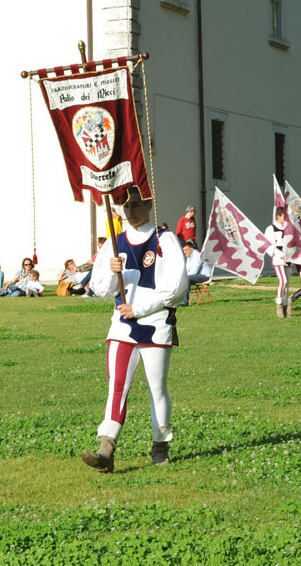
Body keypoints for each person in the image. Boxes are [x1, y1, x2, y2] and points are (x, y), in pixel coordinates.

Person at [81, 186, 188, 473]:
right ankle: (106, 449)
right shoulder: (113, 244)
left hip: (155, 325)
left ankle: (160, 446)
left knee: (157, 389)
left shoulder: (165, 239)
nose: (131, 211)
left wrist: (139, 308)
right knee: (116, 387)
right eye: (126, 206)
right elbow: (101, 290)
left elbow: (177, 288)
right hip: (122, 327)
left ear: (149, 205)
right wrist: (111, 272)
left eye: (137, 205)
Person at [265, 207, 293, 317]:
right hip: (278, 259)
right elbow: (269, 246)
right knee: (283, 281)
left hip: (289, 259)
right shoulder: (271, 229)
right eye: (284, 217)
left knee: (288, 284)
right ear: (278, 216)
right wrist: (282, 255)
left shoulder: (289, 229)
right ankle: (279, 305)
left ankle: (286, 308)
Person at [180, 240, 213, 306]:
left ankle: (184, 303)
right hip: (197, 275)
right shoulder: (189, 257)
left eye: (186, 250)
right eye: (183, 250)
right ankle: (177, 300)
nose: (184, 252)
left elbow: (194, 271)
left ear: (191, 249)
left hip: (204, 276)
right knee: (181, 279)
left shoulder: (197, 255)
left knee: (186, 279)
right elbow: (187, 270)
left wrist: (184, 276)